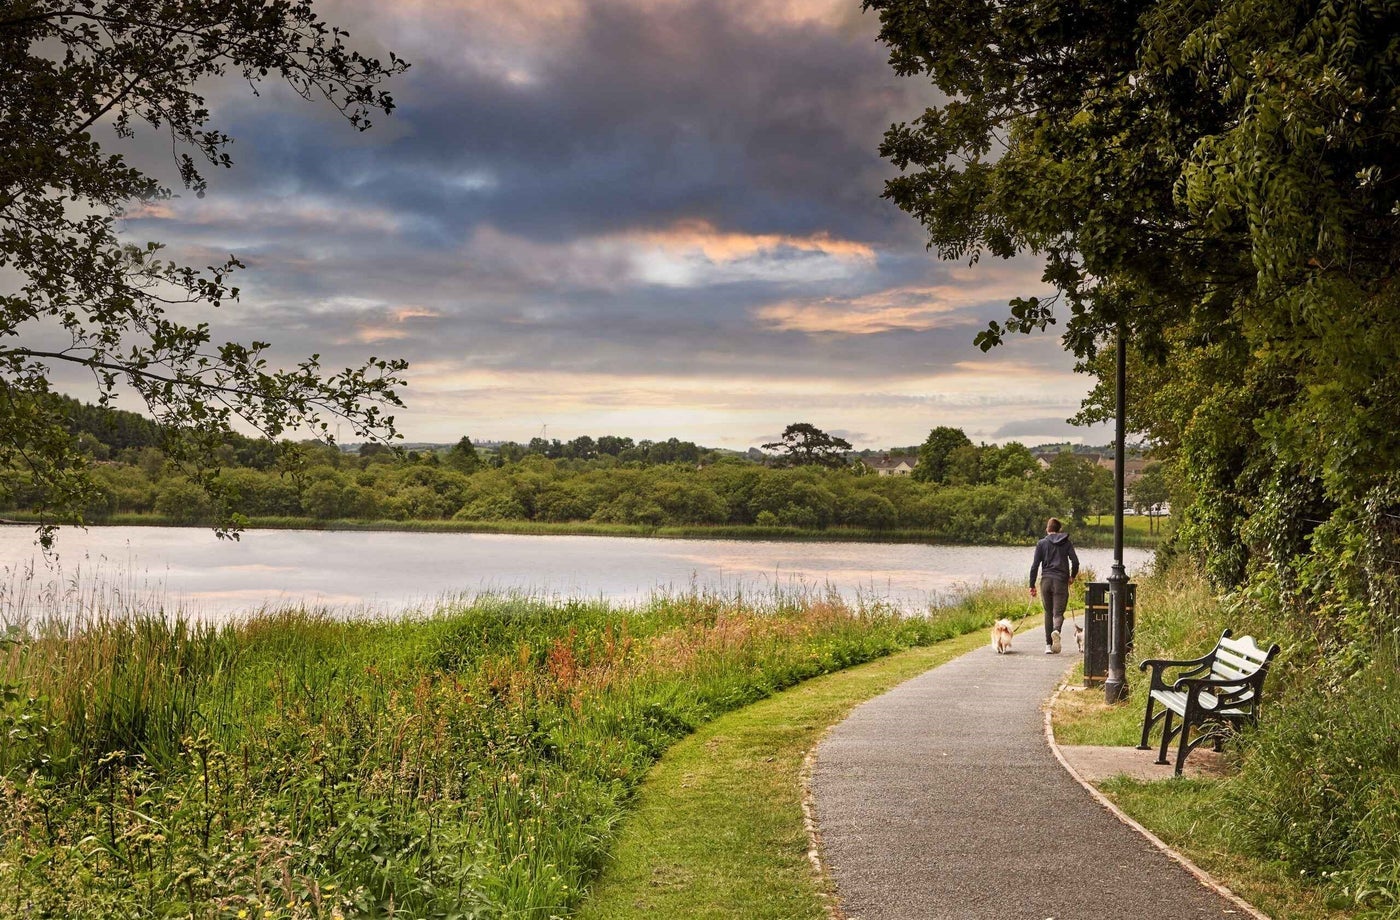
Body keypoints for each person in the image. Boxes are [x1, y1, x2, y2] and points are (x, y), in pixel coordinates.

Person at [1029, 517, 1079, 654]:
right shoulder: (1066, 543)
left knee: (1048, 612)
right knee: (1058, 613)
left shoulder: (1041, 543)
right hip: (1061, 581)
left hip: (1045, 580)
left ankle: (1048, 646)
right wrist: (1072, 576)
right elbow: (1075, 562)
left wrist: (1031, 585)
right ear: (1059, 530)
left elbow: (1034, 566)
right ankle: (1056, 630)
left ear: (1047, 529)